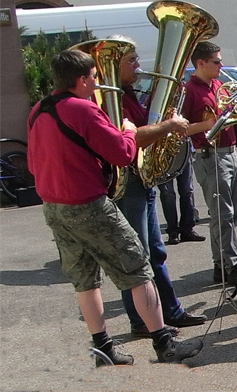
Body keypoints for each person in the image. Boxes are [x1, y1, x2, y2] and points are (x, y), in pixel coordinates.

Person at [27, 49, 202, 366]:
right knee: (139, 268)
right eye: (94, 77)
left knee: (85, 280)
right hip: (87, 204)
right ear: (81, 79)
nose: (97, 83)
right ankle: (164, 343)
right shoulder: (83, 110)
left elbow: (32, 163)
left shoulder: (38, 109)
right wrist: (130, 130)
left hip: (54, 206)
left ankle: (103, 348)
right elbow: (122, 153)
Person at [114, 44, 207, 338]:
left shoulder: (128, 94)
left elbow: (145, 127)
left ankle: (170, 311)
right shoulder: (110, 99)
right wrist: (167, 124)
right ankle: (141, 320)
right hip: (128, 181)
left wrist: (164, 118)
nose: (138, 65)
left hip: (142, 179)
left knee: (154, 251)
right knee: (136, 255)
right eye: (132, 60)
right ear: (112, 65)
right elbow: (130, 138)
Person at [180, 41, 237, 284]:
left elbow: (232, 115)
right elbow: (180, 130)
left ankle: (221, 265)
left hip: (230, 152)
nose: (221, 65)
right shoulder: (189, 90)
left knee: (232, 213)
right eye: (217, 61)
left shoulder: (219, 85)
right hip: (209, 154)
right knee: (222, 213)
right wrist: (205, 125)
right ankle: (233, 264)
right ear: (201, 63)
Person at [157, 154, 202, 245]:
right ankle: (172, 232)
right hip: (162, 154)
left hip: (183, 150)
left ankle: (187, 230)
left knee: (187, 190)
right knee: (168, 194)